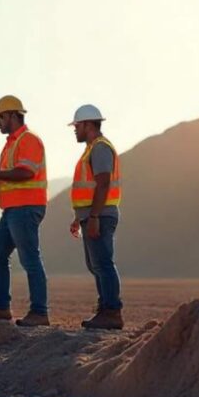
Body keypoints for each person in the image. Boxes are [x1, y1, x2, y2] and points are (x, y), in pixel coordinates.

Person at [0, 95, 50, 327]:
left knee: (30, 259)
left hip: (25, 208)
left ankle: (39, 312)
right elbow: (14, 173)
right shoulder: (12, 144)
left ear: (15, 116)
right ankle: (1, 307)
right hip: (12, 209)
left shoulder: (28, 140)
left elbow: (26, 172)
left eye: (1, 117)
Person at [68, 104, 124, 330]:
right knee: (96, 265)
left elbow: (103, 183)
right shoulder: (92, 148)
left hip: (101, 215)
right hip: (93, 214)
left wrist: (93, 217)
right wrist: (79, 217)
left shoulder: (100, 148)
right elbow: (90, 187)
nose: (74, 130)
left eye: (77, 126)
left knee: (103, 263)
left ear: (88, 125)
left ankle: (112, 311)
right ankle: (105, 310)